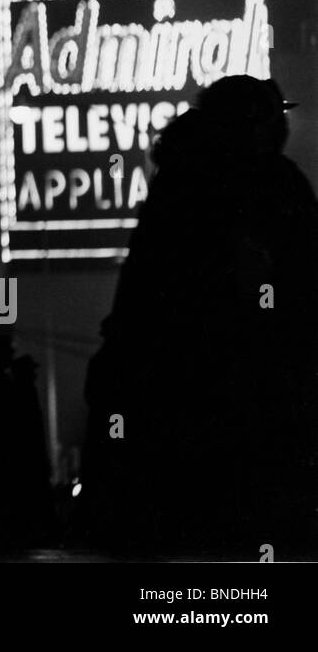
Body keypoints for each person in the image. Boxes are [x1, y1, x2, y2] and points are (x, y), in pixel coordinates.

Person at [99, 74, 318, 555]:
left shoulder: (178, 177)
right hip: (249, 369)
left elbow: (144, 279)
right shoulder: (269, 181)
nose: (281, 126)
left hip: (177, 371)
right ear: (254, 122)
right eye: (272, 116)